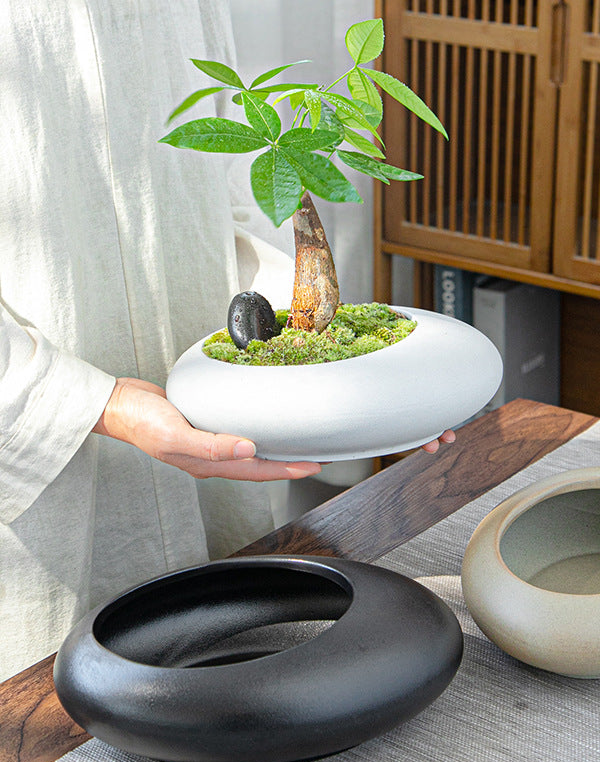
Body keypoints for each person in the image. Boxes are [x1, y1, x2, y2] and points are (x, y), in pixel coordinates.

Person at [0, 1, 452, 682]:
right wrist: (101, 404)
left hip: (208, 412)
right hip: (42, 471)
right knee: (64, 722)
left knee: (233, 661)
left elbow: (216, 207)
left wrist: (344, 366)